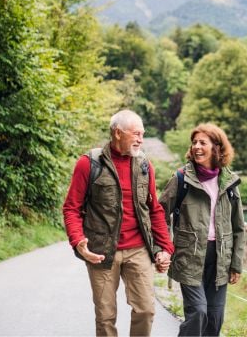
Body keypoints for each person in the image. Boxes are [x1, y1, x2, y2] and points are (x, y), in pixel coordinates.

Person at [63, 109, 174, 337]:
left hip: (138, 249)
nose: (141, 140)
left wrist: (165, 248)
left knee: (145, 310)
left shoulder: (145, 164)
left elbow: (154, 209)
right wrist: (78, 241)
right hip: (101, 252)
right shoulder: (89, 164)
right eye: (136, 134)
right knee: (105, 317)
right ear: (117, 133)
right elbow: (71, 208)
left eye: (142, 134)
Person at [159, 123, 245, 337]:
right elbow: (159, 213)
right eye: (194, 142)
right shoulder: (181, 179)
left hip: (220, 259)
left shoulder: (229, 182)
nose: (197, 147)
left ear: (216, 147)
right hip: (189, 256)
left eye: (202, 143)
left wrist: (236, 263)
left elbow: (239, 227)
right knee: (198, 313)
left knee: (214, 319)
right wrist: (164, 247)